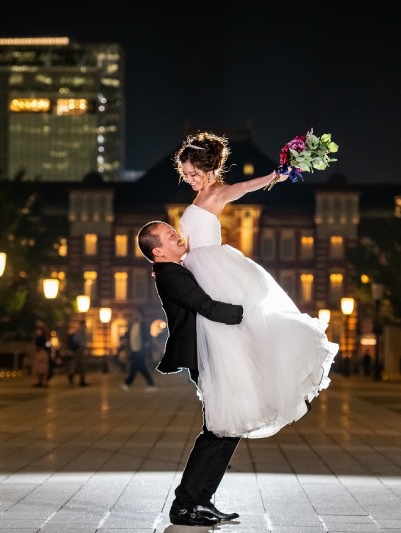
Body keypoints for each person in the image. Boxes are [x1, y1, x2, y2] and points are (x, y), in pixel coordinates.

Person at [174, 131, 338, 439]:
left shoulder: (218, 193)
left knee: (228, 338)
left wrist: (278, 173)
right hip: (198, 265)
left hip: (213, 269)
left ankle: (242, 402)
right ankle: (231, 403)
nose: (190, 180)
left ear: (208, 169)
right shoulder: (199, 196)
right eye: (186, 175)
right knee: (222, 342)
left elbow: (247, 186)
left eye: (193, 174)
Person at [138, 220, 244, 527]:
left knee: (228, 425)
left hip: (208, 352)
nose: (177, 236)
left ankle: (200, 500)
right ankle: (186, 504)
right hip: (202, 354)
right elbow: (206, 306)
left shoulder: (175, 269)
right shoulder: (170, 275)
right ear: (158, 251)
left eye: (175, 231)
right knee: (218, 427)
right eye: (170, 236)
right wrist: (248, 313)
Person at [121, 308, 156, 391]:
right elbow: (127, 336)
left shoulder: (143, 326)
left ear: (141, 316)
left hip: (141, 350)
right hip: (133, 350)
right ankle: (150, 384)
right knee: (139, 367)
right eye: (134, 314)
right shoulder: (132, 326)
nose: (135, 316)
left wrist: (147, 345)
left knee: (136, 367)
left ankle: (127, 384)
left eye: (137, 314)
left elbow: (148, 337)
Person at [67, 320, 88, 386]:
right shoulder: (79, 333)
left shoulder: (82, 333)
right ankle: (73, 376)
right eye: (84, 325)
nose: (85, 326)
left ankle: (79, 379)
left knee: (79, 365)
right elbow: (77, 341)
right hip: (79, 350)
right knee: (80, 365)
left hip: (80, 350)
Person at [32, 320, 50, 388]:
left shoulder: (42, 335)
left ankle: (42, 381)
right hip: (40, 351)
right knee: (39, 368)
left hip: (42, 352)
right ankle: (40, 381)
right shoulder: (42, 334)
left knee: (42, 367)